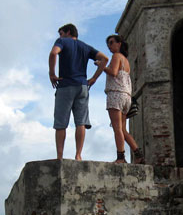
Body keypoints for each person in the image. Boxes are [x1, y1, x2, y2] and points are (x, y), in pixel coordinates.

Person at [49, 23, 108, 161]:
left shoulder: (62, 42)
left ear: (68, 32)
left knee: (61, 123)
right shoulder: (85, 47)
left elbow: (53, 53)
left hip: (65, 85)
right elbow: (104, 59)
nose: (60, 36)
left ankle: (59, 156)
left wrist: (52, 73)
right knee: (80, 122)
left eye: (61, 33)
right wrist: (94, 78)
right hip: (82, 86)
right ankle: (78, 155)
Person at [101, 35, 144, 164]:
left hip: (116, 94)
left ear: (119, 44)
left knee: (117, 128)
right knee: (123, 129)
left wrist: (102, 66)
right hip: (126, 97)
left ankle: (121, 158)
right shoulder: (126, 61)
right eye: (108, 44)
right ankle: (138, 154)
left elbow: (113, 72)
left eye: (111, 43)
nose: (109, 46)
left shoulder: (116, 56)